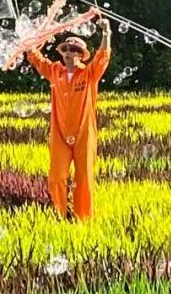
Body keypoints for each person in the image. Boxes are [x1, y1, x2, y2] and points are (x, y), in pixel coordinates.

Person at [26, 16, 112, 220]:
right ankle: (61, 214)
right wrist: (32, 36)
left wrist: (106, 32)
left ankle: (84, 218)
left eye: (74, 50)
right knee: (57, 176)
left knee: (84, 178)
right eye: (66, 49)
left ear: (82, 55)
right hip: (59, 133)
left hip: (84, 133)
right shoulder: (55, 71)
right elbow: (35, 57)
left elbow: (103, 56)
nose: (69, 52)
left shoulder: (90, 74)